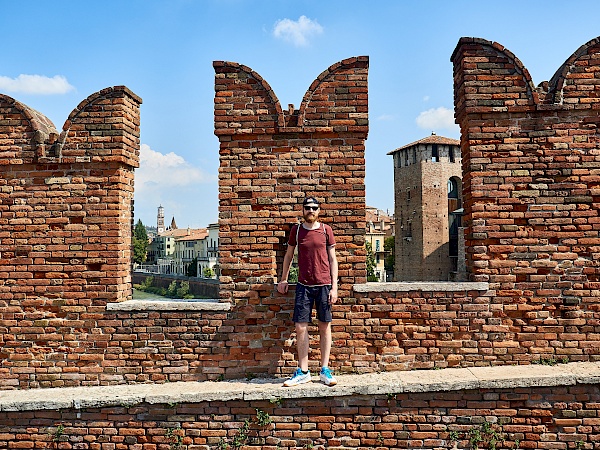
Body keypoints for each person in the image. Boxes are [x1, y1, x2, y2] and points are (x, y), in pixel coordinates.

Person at [277, 196, 339, 387]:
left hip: (323, 285)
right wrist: (283, 279)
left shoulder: (325, 230)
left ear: (318, 211)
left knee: (324, 326)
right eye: (307, 208)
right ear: (302, 210)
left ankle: (325, 369)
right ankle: (303, 371)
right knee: (300, 327)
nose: (311, 211)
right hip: (303, 285)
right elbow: (288, 255)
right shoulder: (296, 231)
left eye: (314, 208)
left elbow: (332, 259)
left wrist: (334, 287)